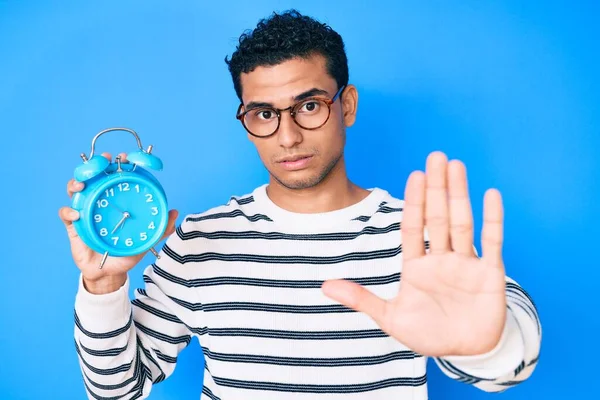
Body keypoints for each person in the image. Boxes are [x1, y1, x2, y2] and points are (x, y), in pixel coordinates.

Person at [60, 9, 541, 400]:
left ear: (346, 105)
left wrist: (485, 348)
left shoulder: (416, 234)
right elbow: (117, 391)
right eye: (264, 114)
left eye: (309, 106)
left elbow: (508, 365)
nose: (287, 136)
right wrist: (104, 285)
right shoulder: (201, 241)